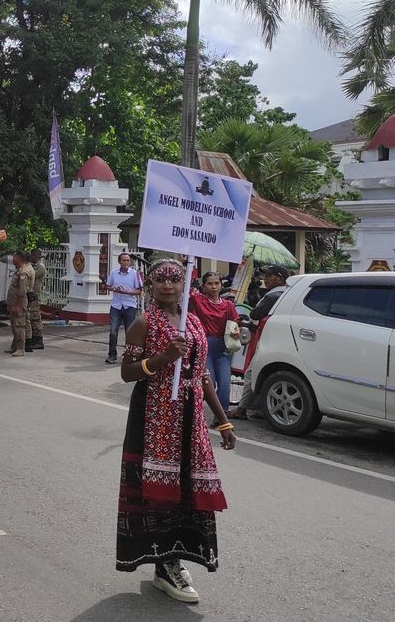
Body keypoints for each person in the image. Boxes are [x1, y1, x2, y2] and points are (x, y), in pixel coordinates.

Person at [116, 258, 235, 604]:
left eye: (174, 280)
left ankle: (175, 559)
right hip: (154, 419)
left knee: (187, 490)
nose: (168, 285)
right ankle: (166, 562)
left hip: (189, 419)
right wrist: (164, 357)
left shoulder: (194, 322)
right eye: (161, 280)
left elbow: (202, 376)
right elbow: (127, 372)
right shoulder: (143, 323)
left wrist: (222, 419)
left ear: (185, 285)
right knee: (158, 491)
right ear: (151, 284)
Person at [228, 266, 289, 420]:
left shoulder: (273, 296)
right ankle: (261, 407)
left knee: (251, 373)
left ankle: (242, 409)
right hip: (284, 341)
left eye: (270, 276)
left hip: (269, 340)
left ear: (280, 279)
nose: (265, 279)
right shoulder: (288, 293)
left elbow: (255, 313)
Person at [188, 271, 240, 412]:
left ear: (221, 285)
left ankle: (221, 417)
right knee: (207, 383)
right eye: (209, 284)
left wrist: (236, 331)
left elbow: (235, 322)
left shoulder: (228, 305)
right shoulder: (198, 300)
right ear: (203, 287)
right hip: (204, 348)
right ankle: (195, 412)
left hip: (222, 349)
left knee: (224, 384)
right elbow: (186, 286)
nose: (213, 286)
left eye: (217, 283)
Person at [104, 253, 143, 364]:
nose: (125, 262)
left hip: (129, 306)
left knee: (129, 332)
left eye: (127, 260)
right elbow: (107, 286)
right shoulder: (114, 273)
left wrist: (126, 292)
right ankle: (112, 355)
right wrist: (114, 289)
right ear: (119, 261)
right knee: (113, 331)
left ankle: (129, 356)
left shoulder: (134, 274)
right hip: (116, 305)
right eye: (123, 260)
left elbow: (139, 291)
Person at [6, 251, 34, 357]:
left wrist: (17, 305)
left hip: (19, 303)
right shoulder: (19, 270)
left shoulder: (23, 272)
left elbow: (22, 292)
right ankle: (14, 346)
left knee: (19, 325)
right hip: (14, 302)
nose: (13, 259)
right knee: (14, 325)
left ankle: (20, 348)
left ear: (20, 258)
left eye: (14, 257)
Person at [27, 249, 47, 351]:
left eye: (33, 255)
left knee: (35, 318)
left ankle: (38, 340)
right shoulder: (32, 265)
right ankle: (32, 339)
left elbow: (30, 276)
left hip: (34, 296)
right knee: (30, 318)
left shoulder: (40, 267)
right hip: (30, 296)